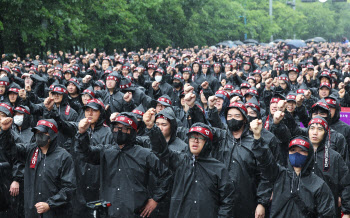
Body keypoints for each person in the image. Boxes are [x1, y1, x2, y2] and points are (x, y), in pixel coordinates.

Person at [143, 108, 235, 218]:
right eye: (192, 137)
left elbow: (227, 201)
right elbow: (161, 151)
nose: (195, 141)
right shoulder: (180, 161)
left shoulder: (219, 168)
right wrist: (151, 127)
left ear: (207, 143)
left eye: (200, 138)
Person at [76, 112, 170, 217]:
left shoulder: (145, 154)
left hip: (135, 213)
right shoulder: (106, 151)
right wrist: (82, 133)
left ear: (133, 131)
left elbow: (166, 174)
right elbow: (85, 153)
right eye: (116, 128)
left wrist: (155, 199)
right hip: (109, 213)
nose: (119, 131)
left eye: (124, 128)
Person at [249, 119, 336, 217]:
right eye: (293, 150)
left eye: (302, 151)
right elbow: (265, 159)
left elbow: (327, 214)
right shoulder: (279, 175)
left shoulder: (319, 185)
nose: (296, 153)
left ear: (309, 154)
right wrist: (257, 137)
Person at [0, 118, 77, 218]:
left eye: (43, 132)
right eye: (37, 132)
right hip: (32, 211)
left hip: (55, 213)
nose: (39, 135)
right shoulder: (29, 150)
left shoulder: (64, 157)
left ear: (52, 134)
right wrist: (5, 131)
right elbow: (10, 149)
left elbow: (69, 188)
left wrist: (50, 204)